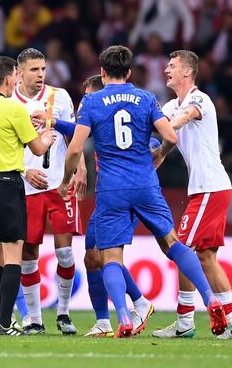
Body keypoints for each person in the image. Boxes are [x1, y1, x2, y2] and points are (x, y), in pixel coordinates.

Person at [59, 45, 227, 338]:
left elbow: (75, 148)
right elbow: (171, 136)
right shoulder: (146, 98)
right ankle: (211, 299)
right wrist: (159, 154)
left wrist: (65, 179)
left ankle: (124, 317)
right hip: (145, 183)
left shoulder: (92, 102)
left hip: (112, 188)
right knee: (173, 242)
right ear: (129, 73)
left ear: (102, 72)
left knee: (111, 257)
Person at [44, 75, 153, 338]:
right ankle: (103, 321)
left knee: (106, 255)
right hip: (107, 196)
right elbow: (79, 133)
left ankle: (139, 302)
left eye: (86, 100)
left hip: (126, 197)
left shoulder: (118, 111)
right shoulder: (101, 118)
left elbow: (155, 141)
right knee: (92, 257)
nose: (83, 108)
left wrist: (54, 122)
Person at [153, 50, 232, 339]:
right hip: (208, 188)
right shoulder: (172, 104)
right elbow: (166, 131)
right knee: (205, 257)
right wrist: (160, 153)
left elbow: (185, 119)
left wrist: (166, 130)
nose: (166, 69)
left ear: (187, 72)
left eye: (172, 66)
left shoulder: (199, 98)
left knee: (182, 249)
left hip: (210, 187)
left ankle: (185, 321)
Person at [0, 56, 54, 335]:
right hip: (7, 183)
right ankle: (5, 324)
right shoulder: (14, 109)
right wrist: (48, 137)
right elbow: (38, 149)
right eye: (16, 75)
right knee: (13, 256)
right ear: (9, 79)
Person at [10, 48, 86, 335]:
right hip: (27, 188)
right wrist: (23, 170)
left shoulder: (60, 97)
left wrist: (81, 168)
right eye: (34, 70)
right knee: (29, 254)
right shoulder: (10, 103)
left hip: (59, 185)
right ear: (19, 72)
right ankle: (34, 318)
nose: (40, 74)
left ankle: (64, 313)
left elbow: (76, 133)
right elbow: (3, 148)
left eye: (43, 69)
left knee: (65, 253)